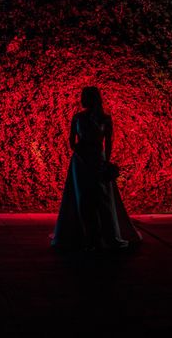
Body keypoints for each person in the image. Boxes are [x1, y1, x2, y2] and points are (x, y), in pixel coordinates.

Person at [50, 86, 142, 251]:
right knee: (83, 197)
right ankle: (87, 237)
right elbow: (72, 141)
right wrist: (84, 155)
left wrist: (105, 161)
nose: (82, 99)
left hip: (94, 160)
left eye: (85, 96)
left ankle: (99, 237)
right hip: (81, 162)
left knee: (100, 198)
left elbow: (108, 142)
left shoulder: (103, 119)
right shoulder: (78, 118)